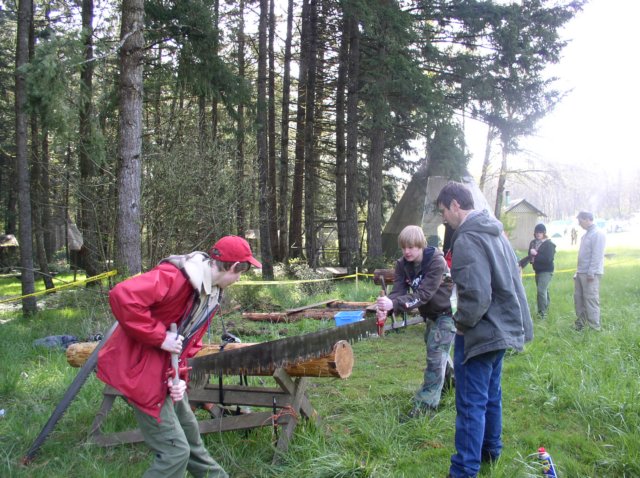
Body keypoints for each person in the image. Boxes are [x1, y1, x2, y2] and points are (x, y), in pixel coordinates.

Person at [97, 235, 261, 478]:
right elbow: (123, 295)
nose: (240, 278)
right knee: (175, 453)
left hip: (167, 373)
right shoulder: (174, 277)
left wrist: (180, 377)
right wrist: (159, 336)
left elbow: (188, 342)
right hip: (141, 371)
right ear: (236, 267)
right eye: (242, 271)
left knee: (190, 436)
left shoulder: (210, 292)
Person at [435, 182, 533, 478]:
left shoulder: (467, 238)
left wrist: (461, 324)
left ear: (455, 205)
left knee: (470, 406)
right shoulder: (495, 232)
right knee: (491, 396)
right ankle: (491, 452)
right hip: (502, 328)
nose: (443, 219)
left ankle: (464, 470)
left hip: (481, 333)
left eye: (443, 211)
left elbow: (477, 295)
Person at [376, 225, 455, 420]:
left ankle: (425, 406)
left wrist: (393, 303)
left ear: (421, 245)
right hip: (431, 314)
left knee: (435, 356)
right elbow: (398, 291)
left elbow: (424, 294)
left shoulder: (436, 261)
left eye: (411, 247)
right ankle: (452, 384)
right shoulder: (402, 264)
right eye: (404, 247)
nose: (407, 252)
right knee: (437, 350)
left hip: (448, 312)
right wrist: (387, 308)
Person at [574, 211, 606, 331]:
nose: (579, 224)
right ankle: (581, 324)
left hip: (590, 274)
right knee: (579, 299)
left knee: (591, 299)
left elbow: (597, 255)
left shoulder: (598, 234)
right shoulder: (586, 235)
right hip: (581, 272)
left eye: (580, 221)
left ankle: (594, 327)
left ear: (588, 219)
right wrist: (577, 272)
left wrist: (591, 272)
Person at [518, 223, 556, 319]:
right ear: (534, 233)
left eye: (540, 232)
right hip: (537, 270)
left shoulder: (549, 244)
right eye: (537, 232)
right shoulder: (533, 243)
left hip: (547, 270)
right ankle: (546, 309)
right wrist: (521, 263)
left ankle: (542, 314)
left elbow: (548, 259)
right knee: (544, 290)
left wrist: (536, 254)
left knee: (541, 291)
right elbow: (530, 256)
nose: (538, 234)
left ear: (544, 233)